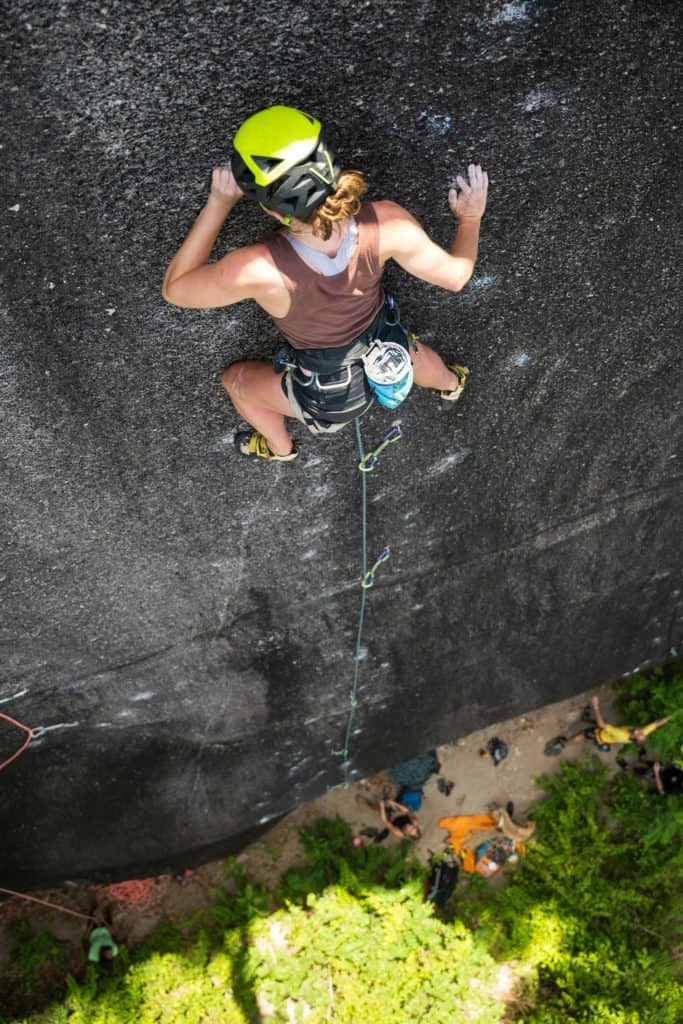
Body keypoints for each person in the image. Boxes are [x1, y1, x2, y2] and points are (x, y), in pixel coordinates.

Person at [162, 105, 488, 461]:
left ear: (273, 211)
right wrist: (470, 218)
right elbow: (457, 276)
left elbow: (176, 288)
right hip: (391, 351)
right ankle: (452, 384)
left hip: (332, 397)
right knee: (413, 358)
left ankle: (279, 448)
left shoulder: (259, 268)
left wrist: (219, 203)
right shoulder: (388, 223)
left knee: (234, 382)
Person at [545, 694, 672, 755]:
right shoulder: (641, 732)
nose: (639, 731)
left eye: (638, 734)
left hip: (601, 735)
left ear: (633, 738)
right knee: (595, 724)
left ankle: (563, 744)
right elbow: (655, 725)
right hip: (606, 736)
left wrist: (596, 707)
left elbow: (601, 725)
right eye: (641, 733)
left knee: (583, 734)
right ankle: (585, 718)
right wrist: (667, 719)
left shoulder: (621, 734)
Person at [356, 792, 422, 840]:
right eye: (413, 828)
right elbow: (407, 811)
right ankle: (390, 798)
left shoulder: (399, 833)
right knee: (396, 802)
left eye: (410, 830)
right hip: (400, 812)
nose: (410, 827)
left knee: (379, 807)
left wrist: (382, 807)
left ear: (408, 834)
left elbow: (385, 821)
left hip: (391, 818)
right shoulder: (415, 822)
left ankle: (367, 803)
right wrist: (394, 803)